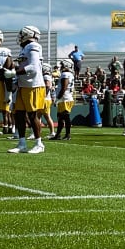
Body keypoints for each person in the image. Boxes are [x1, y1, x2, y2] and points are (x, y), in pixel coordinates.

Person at [8, 25, 46, 154]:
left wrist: (15, 72)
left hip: (33, 85)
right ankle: (22, 143)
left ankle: (39, 144)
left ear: (28, 34)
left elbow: (33, 67)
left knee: (32, 114)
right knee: (19, 115)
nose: (20, 36)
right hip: (23, 84)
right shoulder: (25, 48)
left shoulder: (33, 46)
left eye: (22, 34)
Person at [49, 59, 75, 140]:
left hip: (65, 98)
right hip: (65, 98)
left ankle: (67, 135)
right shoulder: (68, 74)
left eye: (63, 65)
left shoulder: (65, 74)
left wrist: (58, 98)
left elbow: (64, 87)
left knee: (65, 117)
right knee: (60, 117)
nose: (61, 66)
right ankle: (58, 134)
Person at [41, 63, 57, 139]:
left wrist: (43, 95)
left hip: (45, 99)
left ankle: (52, 132)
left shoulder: (46, 76)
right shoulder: (48, 76)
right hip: (46, 99)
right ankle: (36, 132)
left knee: (46, 116)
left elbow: (47, 86)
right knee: (40, 116)